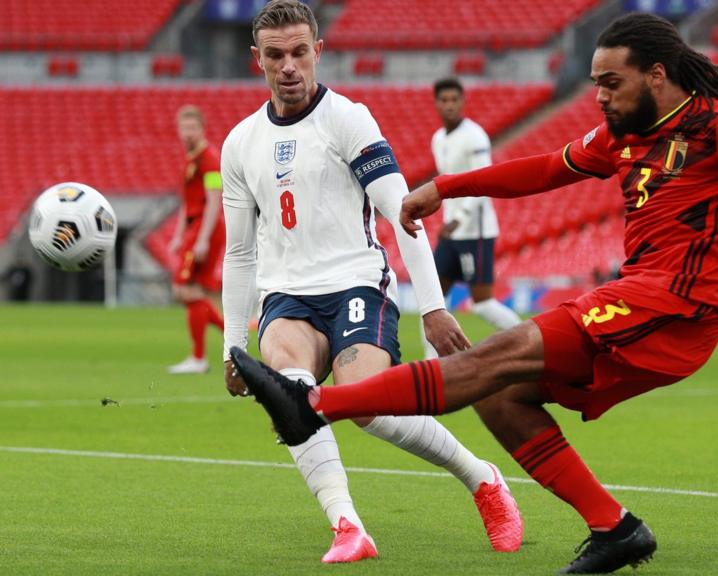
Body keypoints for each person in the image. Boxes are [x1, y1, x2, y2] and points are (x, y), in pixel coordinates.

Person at [229, 13, 718, 574]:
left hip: (680, 308)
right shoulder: (620, 135)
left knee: (505, 350)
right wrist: (442, 188)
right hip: (639, 302)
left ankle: (313, 406)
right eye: (592, 84)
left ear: (656, 74)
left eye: (609, 82)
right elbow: (541, 170)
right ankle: (615, 528)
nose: (598, 97)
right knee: (500, 394)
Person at [218, 0, 521, 563]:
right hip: (285, 296)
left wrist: (432, 305)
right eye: (276, 55)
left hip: (356, 284)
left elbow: (402, 212)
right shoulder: (239, 144)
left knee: (366, 407)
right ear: (256, 59)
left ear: (318, 52)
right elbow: (239, 250)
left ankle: (482, 479)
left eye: (300, 52)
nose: (289, 66)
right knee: (289, 394)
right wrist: (234, 342)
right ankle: (347, 526)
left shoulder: (347, 120)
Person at [422, 77, 520, 359]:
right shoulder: (438, 139)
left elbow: (484, 183)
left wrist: (458, 219)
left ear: (462, 102)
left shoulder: (475, 137)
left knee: (482, 303)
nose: (450, 105)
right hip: (450, 232)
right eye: (444, 100)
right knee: (433, 301)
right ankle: (433, 366)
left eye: (455, 100)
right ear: (436, 103)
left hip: (475, 230)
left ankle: (532, 341)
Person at [167, 105, 226, 374]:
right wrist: (179, 235)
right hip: (195, 227)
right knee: (190, 292)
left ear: (202, 130)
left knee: (185, 290)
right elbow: (186, 202)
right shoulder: (191, 159)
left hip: (206, 227)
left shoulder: (209, 158)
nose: (188, 133)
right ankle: (234, 334)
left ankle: (199, 357)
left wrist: (202, 239)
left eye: (193, 128)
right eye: (184, 128)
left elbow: (214, 199)